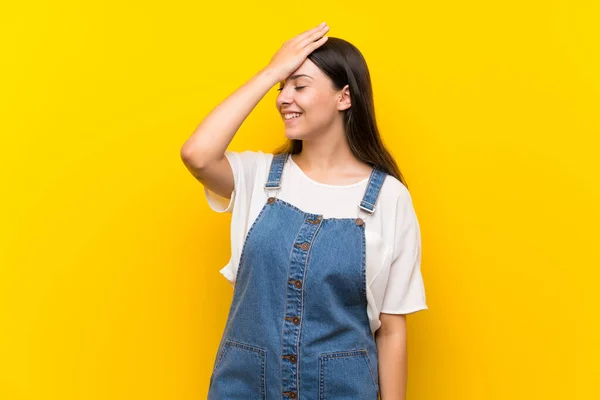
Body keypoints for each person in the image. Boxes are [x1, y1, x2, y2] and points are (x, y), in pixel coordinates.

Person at [180, 22, 427, 400]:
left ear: (344, 97)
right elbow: (196, 154)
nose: (283, 98)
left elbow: (392, 329)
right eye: (282, 87)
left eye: (300, 85)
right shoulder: (258, 178)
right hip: (244, 389)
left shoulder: (389, 198)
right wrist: (271, 72)